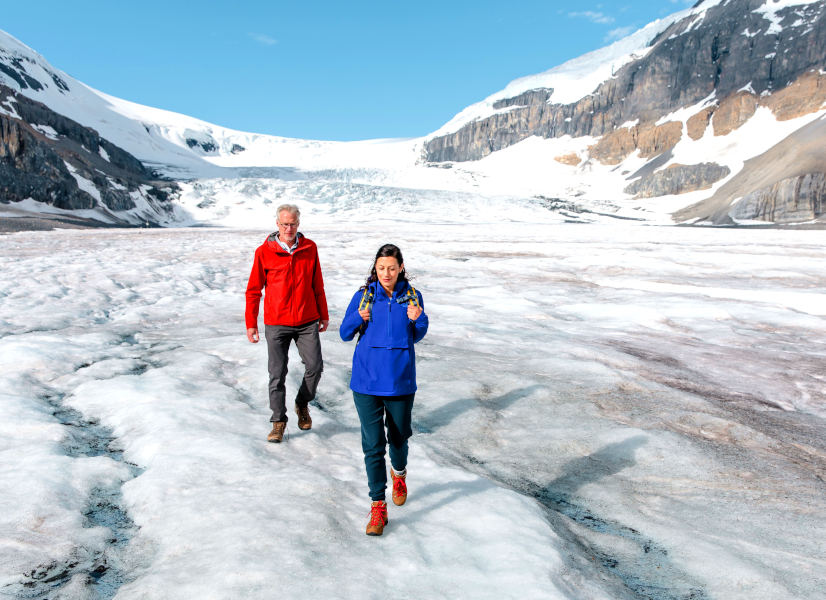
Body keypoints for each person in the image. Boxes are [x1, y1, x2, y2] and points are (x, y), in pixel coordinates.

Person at [339, 243, 428, 536]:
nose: (386, 273)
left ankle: (399, 473)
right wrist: (358, 317)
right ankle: (378, 505)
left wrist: (419, 319)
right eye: (381, 268)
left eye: (391, 267)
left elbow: (416, 334)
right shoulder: (364, 296)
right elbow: (344, 333)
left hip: (400, 381)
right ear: (375, 269)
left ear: (400, 267)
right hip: (366, 382)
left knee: (399, 438)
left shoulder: (412, 297)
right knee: (373, 445)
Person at [245, 204, 329, 443]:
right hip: (277, 322)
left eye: (292, 223)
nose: (288, 228)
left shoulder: (309, 248)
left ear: (298, 224)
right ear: (277, 225)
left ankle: (302, 403)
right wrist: (251, 323)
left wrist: (323, 315)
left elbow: (317, 285)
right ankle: (278, 421)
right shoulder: (264, 252)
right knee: (277, 373)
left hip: (307, 320)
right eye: (284, 224)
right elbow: (253, 290)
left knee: (315, 366)